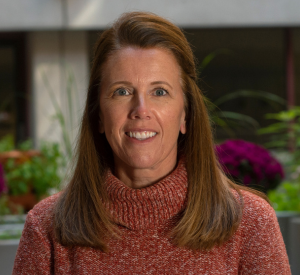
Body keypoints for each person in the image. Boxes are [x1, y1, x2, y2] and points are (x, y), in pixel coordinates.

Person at [13, 12, 290, 274]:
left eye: (160, 91)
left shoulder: (251, 223)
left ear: (185, 114)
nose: (140, 109)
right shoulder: (46, 227)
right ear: (98, 115)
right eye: (121, 91)